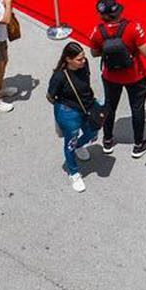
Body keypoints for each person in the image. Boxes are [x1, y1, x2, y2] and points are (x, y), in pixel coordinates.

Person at [85, 0, 146, 158]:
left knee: (109, 106)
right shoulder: (133, 28)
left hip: (110, 76)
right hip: (135, 76)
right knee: (137, 108)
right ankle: (138, 145)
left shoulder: (98, 32)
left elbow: (94, 53)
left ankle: (107, 140)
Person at [46, 41, 99, 191]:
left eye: (83, 57)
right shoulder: (59, 77)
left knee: (92, 132)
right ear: (68, 59)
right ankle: (74, 172)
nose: (83, 61)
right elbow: (50, 96)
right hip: (69, 114)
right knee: (70, 143)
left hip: (87, 107)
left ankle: (78, 146)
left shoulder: (85, 64)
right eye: (79, 59)